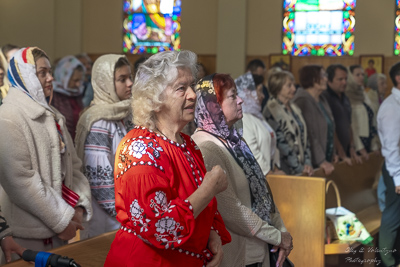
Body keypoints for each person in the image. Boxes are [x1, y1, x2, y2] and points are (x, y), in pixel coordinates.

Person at [104, 50, 231, 267]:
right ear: (155, 100)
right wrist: (209, 188)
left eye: (192, 86)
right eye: (181, 88)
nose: (193, 94)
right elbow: (159, 226)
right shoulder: (139, 148)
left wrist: (211, 235)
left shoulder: (187, 144)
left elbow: (200, 208)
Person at [0, 47, 92, 262]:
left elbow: (74, 167)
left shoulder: (53, 115)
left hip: (60, 230)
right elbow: (21, 180)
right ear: (26, 76)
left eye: (50, 71)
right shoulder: (8, 117)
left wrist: (78, 208)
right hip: (26, 235)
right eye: (42, 73)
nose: (51, 78)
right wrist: (61, 220)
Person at [192, 73, 292, 267]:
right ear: (214, 105)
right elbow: (232, 210)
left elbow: (262, 190)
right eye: (232, 96)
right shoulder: (206, 147)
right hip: (239, 254)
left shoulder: (234, 140)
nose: (240, 100)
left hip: (259, 247)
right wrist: (277, 236)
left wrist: (281, 230)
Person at [75, 54, 134, 239]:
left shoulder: (123, 114)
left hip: (125, 213)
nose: (130, 83)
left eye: (130, 77)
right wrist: (127, 217)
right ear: (105, 83)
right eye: (122, 79)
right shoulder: (100, 121)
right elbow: (99, 179)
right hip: (109, 218)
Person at [263, 71, 313, 176]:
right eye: (289, 86)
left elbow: (305, 136)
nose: (294, 89)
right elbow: (281, 144)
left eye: (293, 85)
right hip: (285, 168)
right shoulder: (271, 110)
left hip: (303, 167)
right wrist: (299, 168)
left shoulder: (294, 107)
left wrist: (307, 164)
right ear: (278, 87)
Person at [235, 72, 282, 175]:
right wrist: (269, 174)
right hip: (260, 177)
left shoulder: (257, 116)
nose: (263, 96)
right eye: (259, 91)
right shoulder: (242, 118)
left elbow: (272, 143)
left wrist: (275, 167)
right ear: (247, 93)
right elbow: (251, 152)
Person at [377, 61, 400, 267]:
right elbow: (392, 146)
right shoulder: (391, 107)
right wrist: (397, 177)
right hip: (396, 168)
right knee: (392, 215)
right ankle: (387, 261)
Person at [293, 65, 336, 175]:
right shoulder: (302, 101)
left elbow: (330, 127)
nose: (326, 78)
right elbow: (310, 135)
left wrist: (333, 153)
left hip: (326, 158)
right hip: (313, 163)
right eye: (322, 76)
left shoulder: (322, 99)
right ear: (312, 79)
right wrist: (321, 160)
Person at [321, 64, 362, 165]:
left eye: (346, 79)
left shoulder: (345, 97)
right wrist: (340, 150)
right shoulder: (325, 98)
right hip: (333, 153)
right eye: (340, 79)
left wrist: (352, 146)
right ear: (329, 80)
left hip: (346, 150)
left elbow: (349, 124)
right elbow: (330, 127)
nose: (344, 82)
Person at [346, 65, 380, 160]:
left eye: (362, 74)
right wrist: (360, 148)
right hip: (357, 145)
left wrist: (374, 145)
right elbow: (352, 126)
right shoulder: (347, 96)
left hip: (368, 141)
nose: (361, 77)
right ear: (350, 77)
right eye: (357, 75)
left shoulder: (363, 93)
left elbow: (371, 119)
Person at [52, 55, 86, 140]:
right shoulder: (53, 96)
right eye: (75, 80)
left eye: (80, 80)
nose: (78, 84)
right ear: (64, 77)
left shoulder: (77, 94)